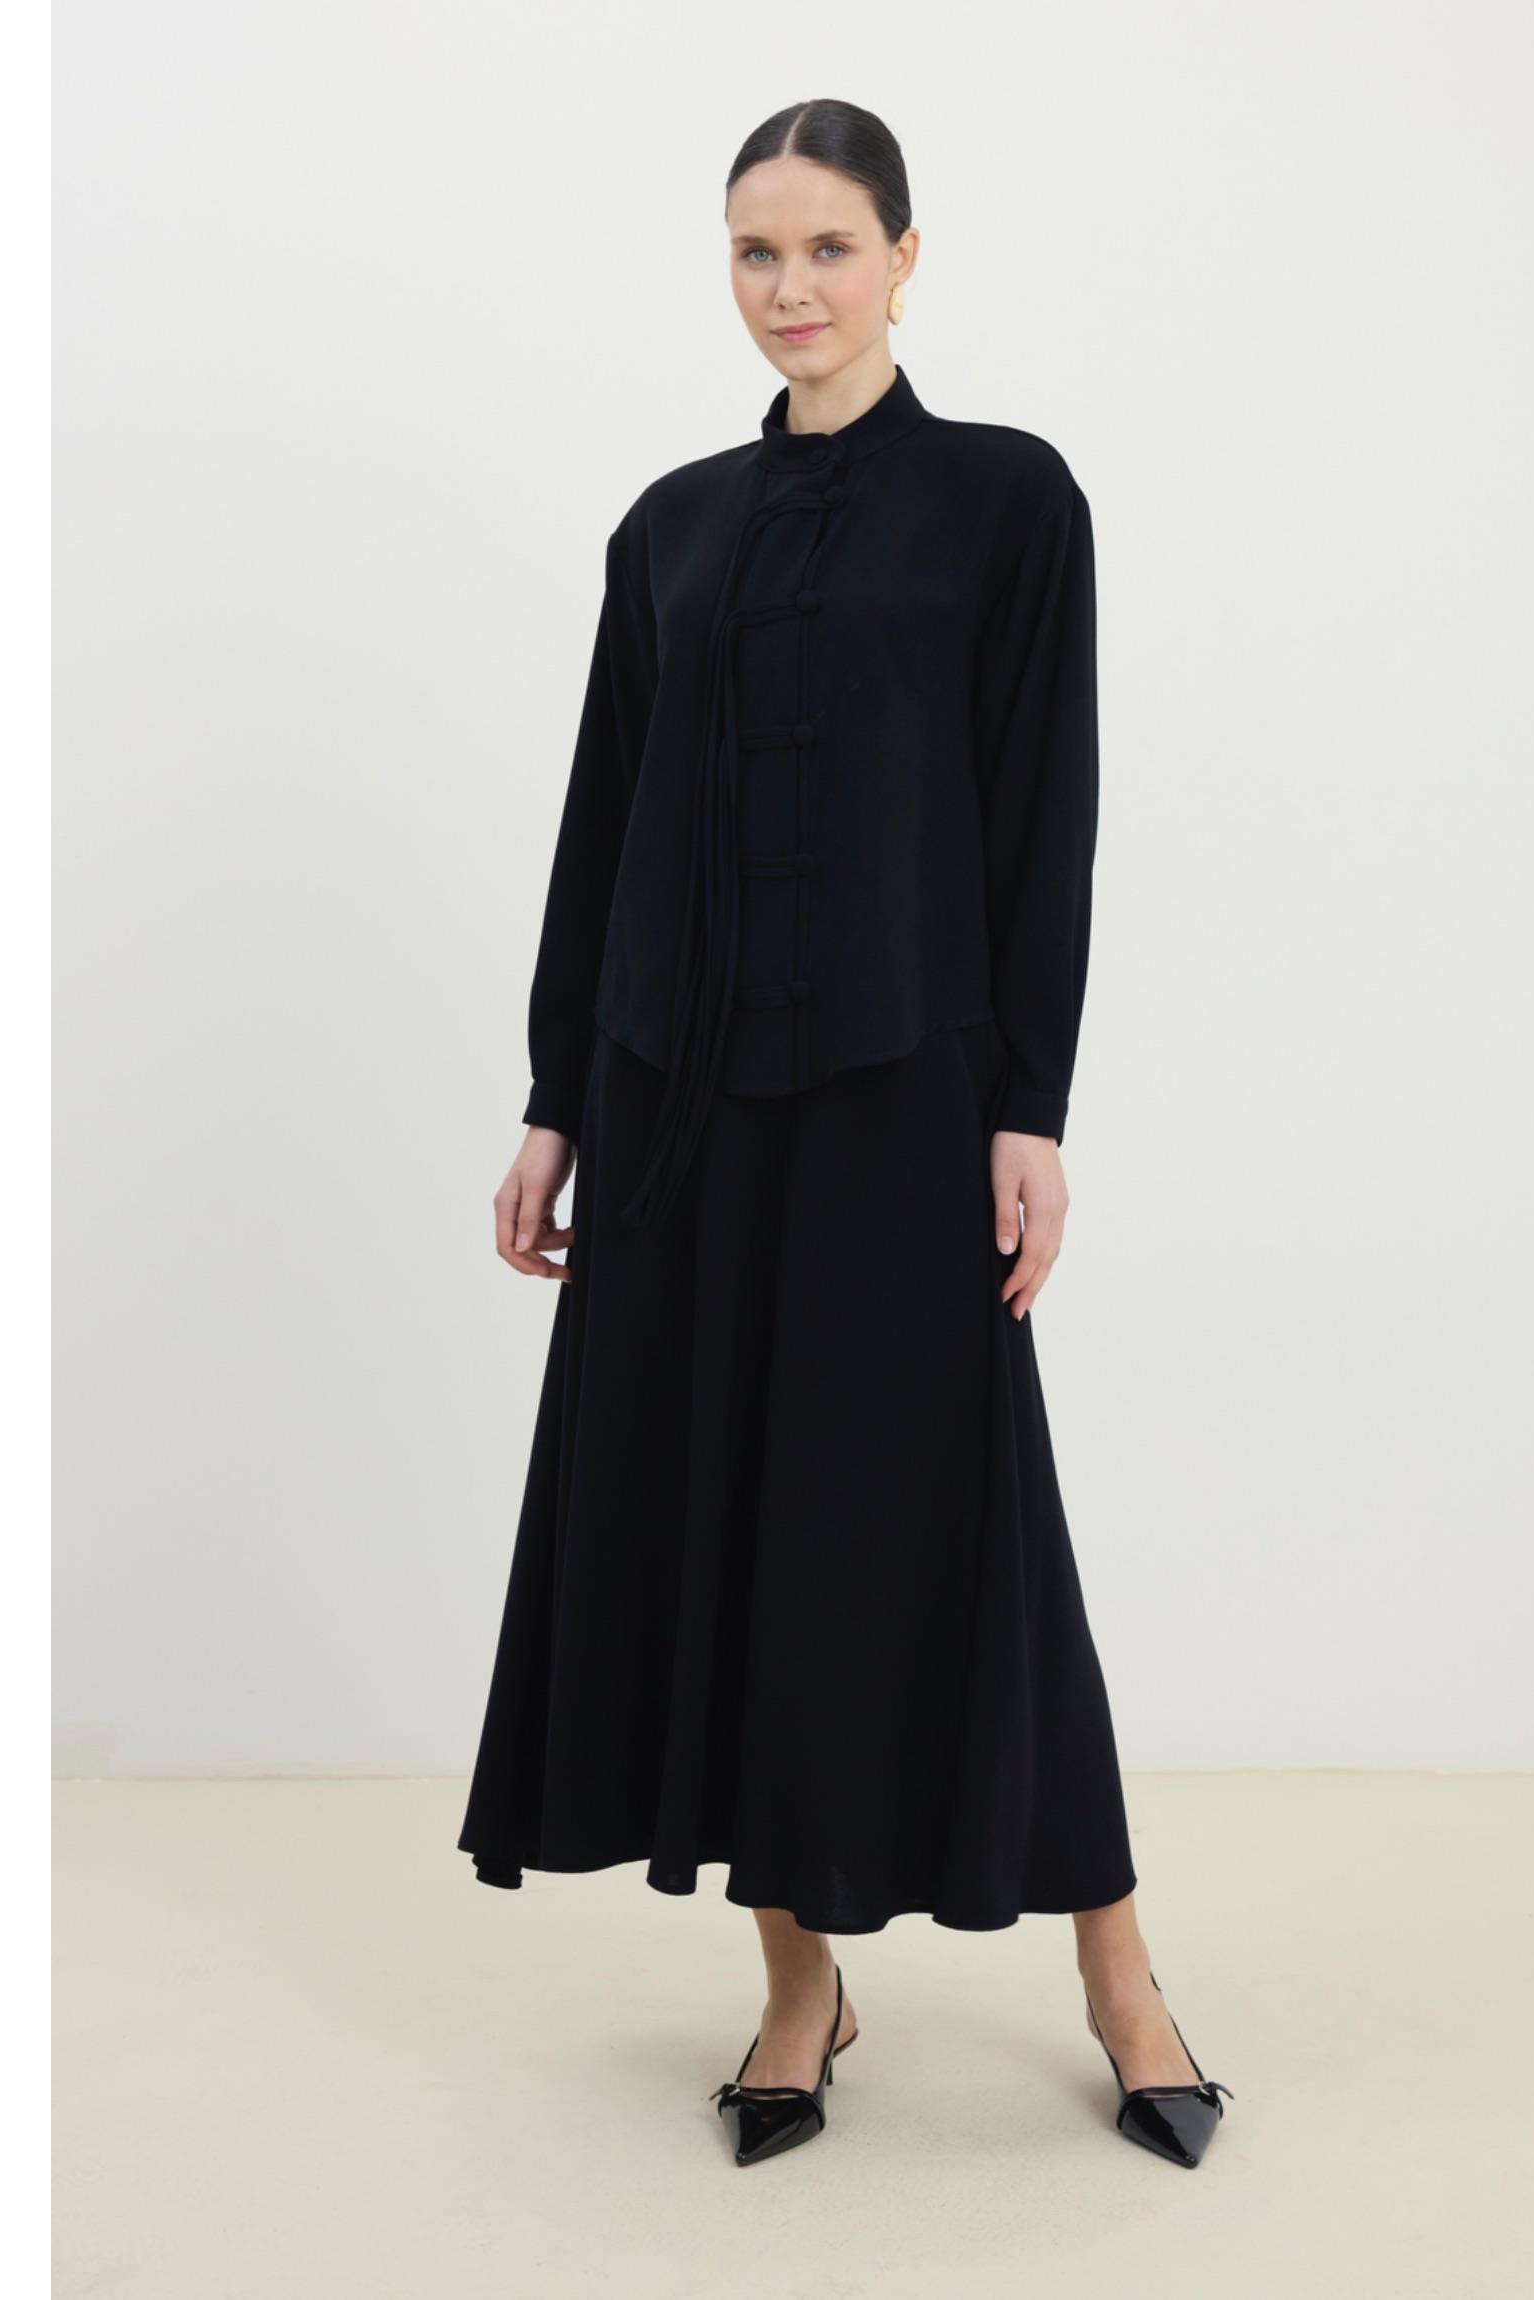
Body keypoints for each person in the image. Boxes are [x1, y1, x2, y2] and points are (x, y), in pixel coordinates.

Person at [457, 96, 1234, 2170]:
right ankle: (801, 1988)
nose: (788, 287)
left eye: (825, 246)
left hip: (905, 1092)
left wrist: (1029, 1107)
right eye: (753, 251)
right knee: (726, 1519)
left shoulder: (1009, 502)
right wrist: (555, 1095)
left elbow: (1042, 817)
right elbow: (606, 823)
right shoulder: (671, 527)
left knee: (968, 1529)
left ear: (904, 254)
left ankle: (1121, 1973)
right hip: (675, 1099)